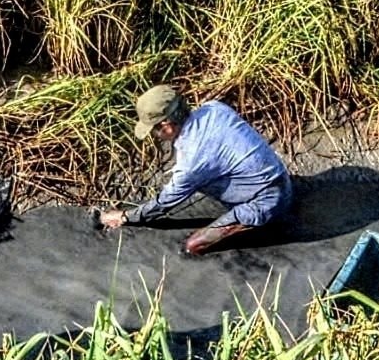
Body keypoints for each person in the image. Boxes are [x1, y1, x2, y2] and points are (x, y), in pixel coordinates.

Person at [98, 84, 293, 256]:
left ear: (166, 126)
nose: (155, 136)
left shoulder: (191, 162)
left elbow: (163, 204)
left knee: (193, 246)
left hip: (267, 203)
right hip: (279, 176)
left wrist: (125, 216)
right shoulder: (214, 107)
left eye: (154, 130)